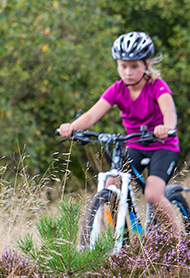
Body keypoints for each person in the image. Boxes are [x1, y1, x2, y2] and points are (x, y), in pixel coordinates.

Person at [58, 31, 181, 233]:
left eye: (134, 66)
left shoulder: (157, 86)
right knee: (111, 185)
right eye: (123, 66)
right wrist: (72, 127)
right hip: (135, 146)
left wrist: (166, 128)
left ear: (146, 65)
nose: (128, 72)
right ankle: (120, 241)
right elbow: (91, 115)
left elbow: (169, 111)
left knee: (152, 195)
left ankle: (180, 245)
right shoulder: (117, 89)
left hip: (163, 146)